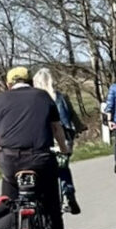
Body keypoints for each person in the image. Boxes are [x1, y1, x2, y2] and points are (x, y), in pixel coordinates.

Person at [0, 65, 72, 229]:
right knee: (53, 210)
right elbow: (57, 129)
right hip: (41, 161)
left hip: (11, 163)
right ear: (30, 82)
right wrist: (64, 149)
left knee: (8, 201)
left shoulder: (0, 100)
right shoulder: (44, 97)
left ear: (9, 84)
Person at [33, 67, 83, 215]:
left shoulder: (36, 100)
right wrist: (79, 127)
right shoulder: (61, 97)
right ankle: (68, 193)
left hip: (43, 141)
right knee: (62, 168)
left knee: (42, 171)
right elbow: (72, 115)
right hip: (64, 139)